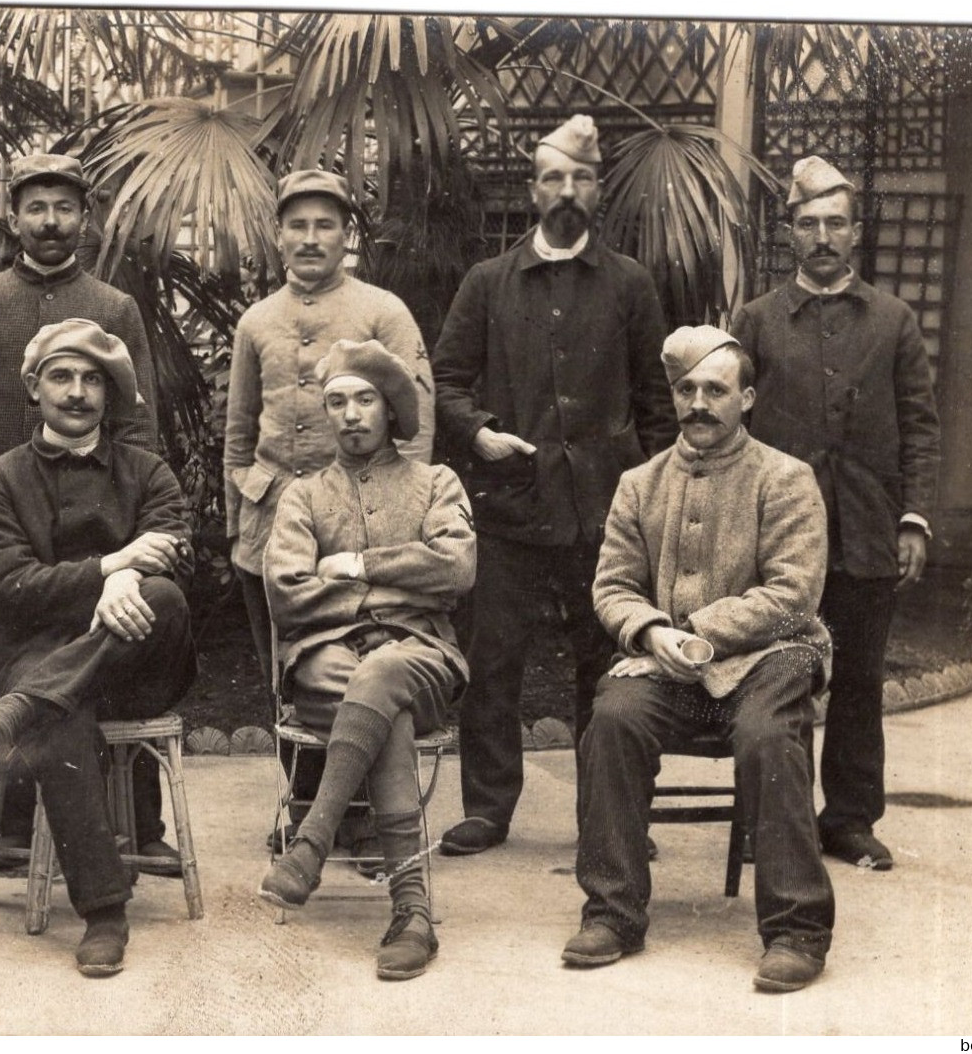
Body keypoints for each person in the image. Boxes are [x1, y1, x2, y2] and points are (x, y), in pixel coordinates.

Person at [429, 113, 676, 856]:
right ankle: (487, 808)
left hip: (607, 510)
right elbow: (443, 380)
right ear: (531, 190)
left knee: (608, 666)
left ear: (597, 190)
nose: (565, 190)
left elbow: (656, 402)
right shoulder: (487, 282)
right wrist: (476, 431)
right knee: (494, 660)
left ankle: (610, 808)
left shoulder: (630, 284)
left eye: (579, 177)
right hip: (511, 504)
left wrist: (654, 495)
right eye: (551, 177)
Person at [562, 325, 835, 993]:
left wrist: (697, 634)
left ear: (746, 397)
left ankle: (797, 928)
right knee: (615, 715)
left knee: (768, 736)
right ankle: (612, 911)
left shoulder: (785, 478)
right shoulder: (639, 483)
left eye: (715, 389)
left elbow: (792, 593)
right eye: (685, 388)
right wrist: (651, 633)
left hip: (771, 655)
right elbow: (612, 585)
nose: (698, 402)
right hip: (669, 660)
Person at [0, 152, 170, 866]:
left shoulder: (114, 307)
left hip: (103, 525)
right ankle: (9, 826)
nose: (50, 222)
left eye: (64, 208)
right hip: (2, 527)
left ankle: (138, 824)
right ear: (12, 215)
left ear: (84, 217)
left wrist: (134, 524)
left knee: (118, 651)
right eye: (36, 208)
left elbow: (138, 425)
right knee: (9, 654)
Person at [0, 319, 197, 977]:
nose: (77, 391)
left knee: (165, 598)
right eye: (62, 376)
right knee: (60, 713)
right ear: (34, 388)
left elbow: (173, 557)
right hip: (29, 654)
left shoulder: (147, 472)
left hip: (138, 661)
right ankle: (103, 912)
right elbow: (11, 591)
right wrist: (114, 564)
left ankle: (22, 707)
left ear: (110, 394)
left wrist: (127, 578)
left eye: (93, 379)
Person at [730, 156, 941, 873]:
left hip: (865, 530)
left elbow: (918, 425)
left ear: (854, 233)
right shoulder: (755, 321)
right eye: (807, 223)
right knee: (773, 676)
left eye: (834, 223)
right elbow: (733, 430)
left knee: (856, 681)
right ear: (788, 233)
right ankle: (773, 817)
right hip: (778, 539)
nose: (821, 236)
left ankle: (849, 819)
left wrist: (912, 517)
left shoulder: (893, 320)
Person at [224, 169, 436, 857]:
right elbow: (236, 432)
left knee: (364, 657)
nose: (310, 238)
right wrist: (239, 525)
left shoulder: (383, 312)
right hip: (271, 526)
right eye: (297, 225)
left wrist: (399, 524)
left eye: (325, 225)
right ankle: (303, 805)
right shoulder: (256, 320)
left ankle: (368, 815)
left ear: (347, 234)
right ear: (278, 235)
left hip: (360, 523)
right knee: (286, 673)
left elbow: (418, 430)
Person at [258, 339, 474, 981]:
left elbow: (457, 568)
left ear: (391, 408)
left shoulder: (437, 483)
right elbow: (286, 590)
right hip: (327, 658)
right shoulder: (302, 496)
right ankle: (412, 912)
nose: (350, 414)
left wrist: (357, 566)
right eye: (336, 402)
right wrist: (395, 592)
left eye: (365, 400)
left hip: (425, 655)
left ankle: (312, 840)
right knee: (380, 686)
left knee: (386, 673)